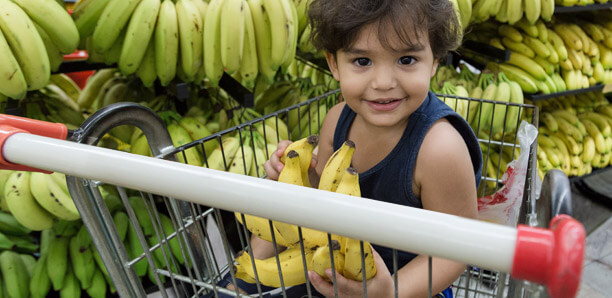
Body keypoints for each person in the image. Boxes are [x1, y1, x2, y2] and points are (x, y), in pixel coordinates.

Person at [259, 0, 483, 297]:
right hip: (337, 270)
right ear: (334, 64)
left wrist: (389, 292)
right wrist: (294, 175)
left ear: (435, 61)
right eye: (362, 62)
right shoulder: (337, 120)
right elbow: (324, 194)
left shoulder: (440, 149)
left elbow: (455, 250)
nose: (383, 82)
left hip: (412, 286)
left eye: (406, 60)